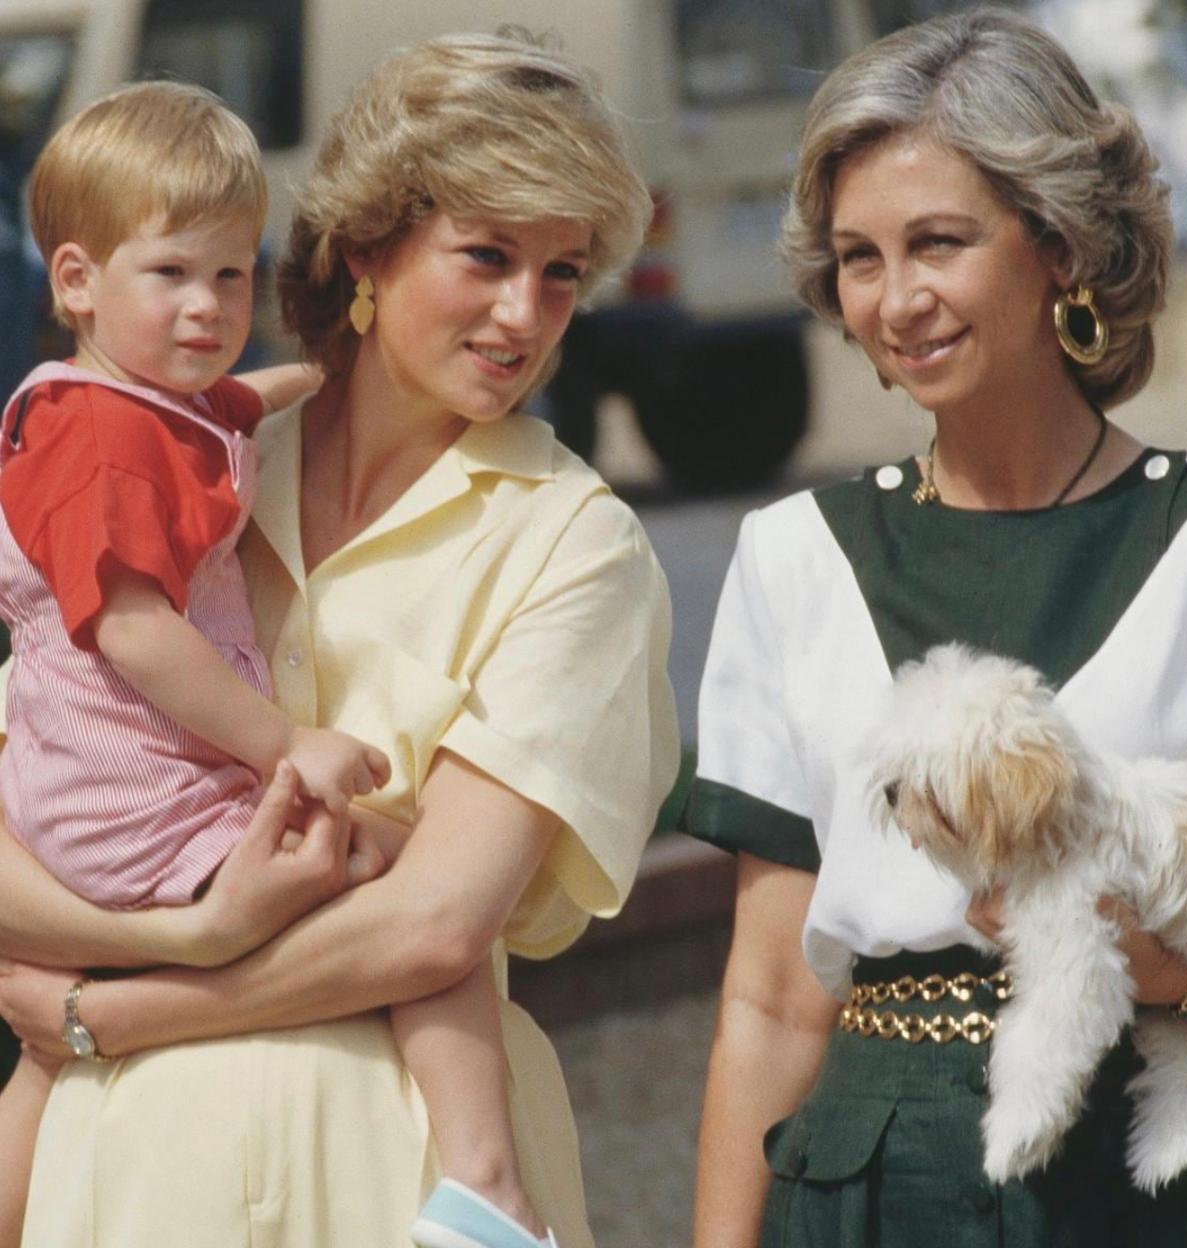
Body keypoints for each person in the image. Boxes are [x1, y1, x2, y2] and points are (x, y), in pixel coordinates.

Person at [0, 30, 678, 1248]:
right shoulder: (175, 469)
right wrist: (188, 934)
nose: (526, 314)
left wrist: (114, 1009)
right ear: (369, 246)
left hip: (408, 1193)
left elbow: (434, 924)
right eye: (486, 255)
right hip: (135, 1187)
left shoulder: (576, 545)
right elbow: (23, 818)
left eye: (563, 273)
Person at [683, 9, 1187, 1247]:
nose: (897, 300)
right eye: (861, 257)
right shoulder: (793, 558)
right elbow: (773, 998)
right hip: (862, 1186)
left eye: (939, 242)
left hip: (1145, 1177)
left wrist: (1176, 977)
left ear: (1060, 246)